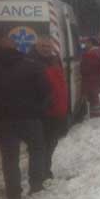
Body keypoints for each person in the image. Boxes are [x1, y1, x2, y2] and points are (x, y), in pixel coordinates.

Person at [0, 34, 50, 199]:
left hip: (2, 121)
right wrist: (39, 110)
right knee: (37, 150)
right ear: (16, 47)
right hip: (30, 117)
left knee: (9, 159)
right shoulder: (31, 65)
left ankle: (14, 197)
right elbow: (45, 90)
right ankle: (36, 185)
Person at [30, 37, 69, 179]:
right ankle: (39, 173)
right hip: (42, 111)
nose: (46, 48)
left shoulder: (54, 60)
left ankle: (46, 169)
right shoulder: (31, 62)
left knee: (51, 142)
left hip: (57, 110)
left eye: (48, 46)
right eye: (43, 46)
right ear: (36, 46)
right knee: (40, 144)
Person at [81, 38, 100, 118]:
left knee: (94, 98)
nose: (85, 45)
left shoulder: (91, 54)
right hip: (96, 78)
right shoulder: (98, 52)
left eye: (86, 43)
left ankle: (97, 115)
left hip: (92, 79)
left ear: (91, 43)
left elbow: (86, 68)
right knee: (93, 97)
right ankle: (95, 114)